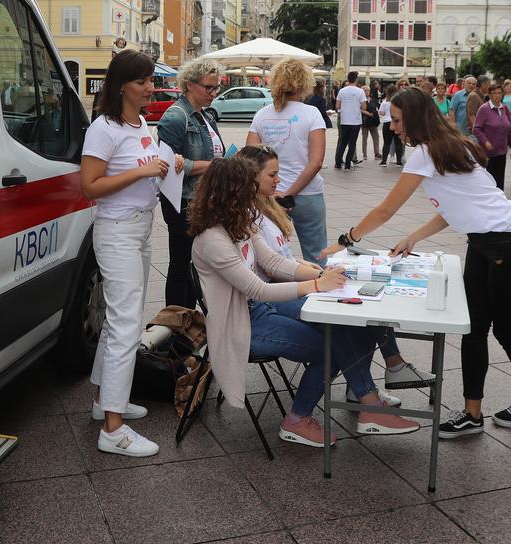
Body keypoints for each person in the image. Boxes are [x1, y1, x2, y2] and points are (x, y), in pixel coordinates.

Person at [329, 87, 511, 440]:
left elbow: (386, 210)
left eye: (398, 120)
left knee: (507, 330)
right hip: (484, 243)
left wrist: (347, 239)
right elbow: (456, 206)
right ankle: (472, 413)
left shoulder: (428, 153)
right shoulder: (447, 145)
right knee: (473, 330)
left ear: (414, 118)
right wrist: (414, 237)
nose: (393, 126)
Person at [189, 157, 418, 447]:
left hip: (259, 311)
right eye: (247, 189)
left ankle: (367, 405)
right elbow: (258, 289)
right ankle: (300, 419)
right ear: (230, 193)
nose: (253, 195)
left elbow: (272, 262)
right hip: (242, 324)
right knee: (332, 346)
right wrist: (315, 285)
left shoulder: (238, 221)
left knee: (345, 326)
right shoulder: (212, 239)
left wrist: (322, 274)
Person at [80, 50, 175, 457]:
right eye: (143, 82)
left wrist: (169, 164)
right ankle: (112, 428)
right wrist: (141, 171)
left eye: (152, 80)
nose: (151, 88)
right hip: (116, 230)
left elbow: (144, 166)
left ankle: (105, 401)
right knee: (123, 327)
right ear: (122, 85)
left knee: (123, 319)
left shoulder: (140, 125)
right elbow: (90, 186)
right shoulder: (103, 128)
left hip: (138, 228)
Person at [156, 58, 227, 309]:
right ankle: (175, 324)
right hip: (183, 201)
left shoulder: (205, 116)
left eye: (216, 88)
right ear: (189, 84)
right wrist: (214, 166)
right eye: (209, 87)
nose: (213, 93)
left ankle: (190, 323)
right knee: (180, 263)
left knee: (196, 264)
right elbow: (167, 165)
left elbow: (211, 154)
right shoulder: (176, 117)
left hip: (204, 199)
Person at [246, 59, 329, 265]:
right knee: (316, 254)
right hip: (308, 194)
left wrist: (278, 193)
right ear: (304, 83)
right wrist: (290, 193)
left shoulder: (262, 115)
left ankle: (278, 294)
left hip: (269, 196)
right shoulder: (311, 114)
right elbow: (316, 162)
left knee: (274, 256)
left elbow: (249, 160)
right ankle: (316, 291)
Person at [472, 81, 511, 189]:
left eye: (499, 93)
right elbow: (476, 129)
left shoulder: (504, 108)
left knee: (500, 180)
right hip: (488, 152)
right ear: (490, 94)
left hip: (501, 150)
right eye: (494, 93)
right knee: (489, 179)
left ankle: (499, 201)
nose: (497, 95)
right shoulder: (484, 109)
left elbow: (510, 128)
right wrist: (485, 142)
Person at [334, 72, 366, 169]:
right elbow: (364, 106)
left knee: (343, 142)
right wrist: (357, 106)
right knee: (352, 143)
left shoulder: (342, 91)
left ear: (348, 79)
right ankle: (348, 164)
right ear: (356, 79)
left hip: (344, 120)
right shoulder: (360, 91)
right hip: (355, 120)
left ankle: (338, 163)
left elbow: (337, 106)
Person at [361, 80, 383, 161]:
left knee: (376, 137)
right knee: (365, 138)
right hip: (365, 121)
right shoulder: (361, 100)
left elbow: (376, 107)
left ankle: (377, 153)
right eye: (365, 90)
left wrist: (377, 113)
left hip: (373, 121)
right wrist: (368, 113)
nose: (367, 92)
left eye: (368, 90)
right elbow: (360, 109)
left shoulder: (373, 99)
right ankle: (364, 154)